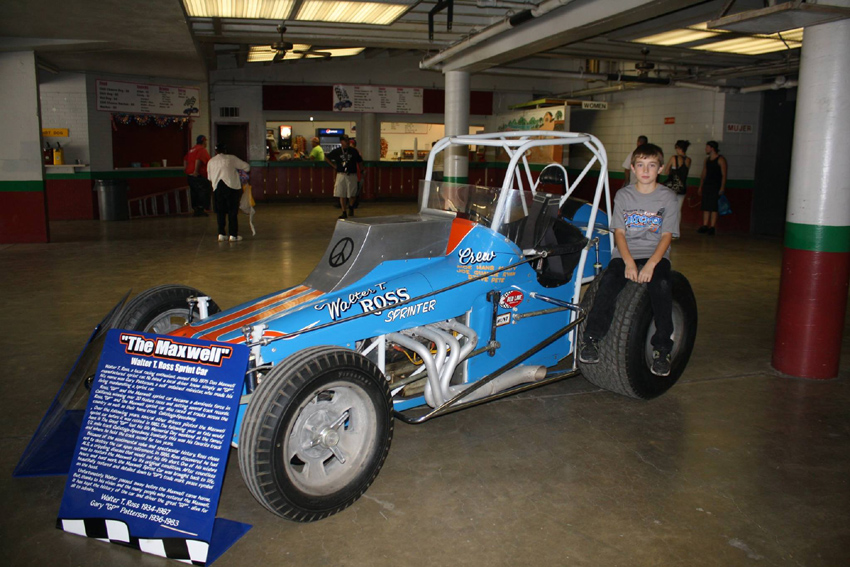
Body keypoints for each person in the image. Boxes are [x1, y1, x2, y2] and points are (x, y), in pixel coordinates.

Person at [579, 143, 680, 377]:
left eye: (651, 165)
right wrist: (628, 262)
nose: (646, 170)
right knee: (607, 284)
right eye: (641, 165)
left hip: (655, 253)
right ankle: (591, 339)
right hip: (626, 252)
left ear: (660, 169)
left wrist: (652, 264)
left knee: (662, 286)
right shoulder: (624, 195)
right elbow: (619, 233)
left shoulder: (668, 197)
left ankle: (662, 349)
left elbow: (667, 236)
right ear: (633, 168)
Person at [208, 143, 250, 242]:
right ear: (225, 150)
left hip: (217, 188)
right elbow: (247, 167)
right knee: (232, 212)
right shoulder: (231, 158)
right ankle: (233, 235)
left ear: (216, 151)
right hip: (232, 187)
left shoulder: (211, 161)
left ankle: (221, 234)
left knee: (220, 212)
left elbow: (209, 177)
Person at [325, 135, 363, 219]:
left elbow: (359, 161)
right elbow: (326, 157)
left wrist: (361, 170)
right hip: (341, 174)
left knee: (352, 194)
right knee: (341, 193)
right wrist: (334, 166)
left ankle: (351, 206)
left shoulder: (353, 151)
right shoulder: (337, 151)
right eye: (345, 140)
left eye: (348, 140)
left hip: (352, 174)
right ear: (341, 142)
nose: (347, 142)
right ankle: (344, 211)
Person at [697, 140, 727, 236]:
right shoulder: (707, 160)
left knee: (714, 207)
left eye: (707, 147)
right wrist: (701, 186)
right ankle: (705, 225)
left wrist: (722, 187)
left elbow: (724, 174)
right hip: (707, 185)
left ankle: (712, 226)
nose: (705, 149)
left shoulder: (720, 159)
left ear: (712, 148)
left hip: (716, 186)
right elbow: (704, 173)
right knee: (706, 205)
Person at [183, 135, 212, 217]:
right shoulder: (201, 150)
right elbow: (198, 159)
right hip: (198, 175)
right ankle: (201, 209)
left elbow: (185, 159)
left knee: (194, 192)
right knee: (203, 191)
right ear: (203, 141)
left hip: (190, 176)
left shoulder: (191, 150)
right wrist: (196, 171)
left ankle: (196, 209)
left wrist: (186, 170)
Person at [661, 140, 691, 214]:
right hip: (682, 187)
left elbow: (666, 171)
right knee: (678, 209)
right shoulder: (689, 160)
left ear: (678, 148)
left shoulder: (674, 158)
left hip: (672, 186)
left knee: (668, 208)